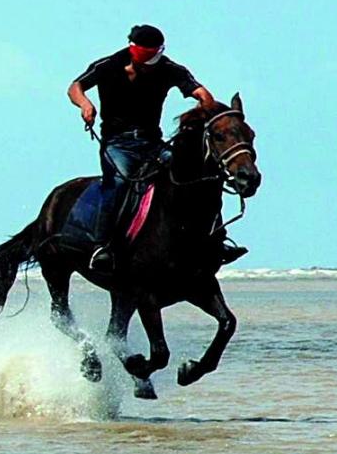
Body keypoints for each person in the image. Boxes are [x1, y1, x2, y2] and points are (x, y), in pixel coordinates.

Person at [68, 23, 224, 272]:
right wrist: (85, 105)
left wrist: (204, 106)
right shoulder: (108, 65)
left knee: (193, 176)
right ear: (136, 52)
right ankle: (102, 246)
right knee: (118, 184)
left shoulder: (169, 68)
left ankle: (214, 237)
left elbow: (201, 92)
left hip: (152, 143)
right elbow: (75, 87)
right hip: (117, 144)